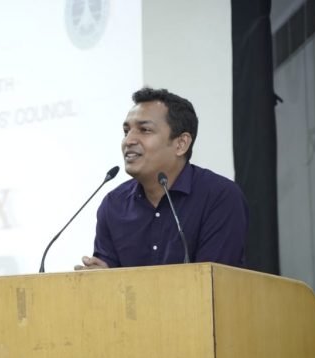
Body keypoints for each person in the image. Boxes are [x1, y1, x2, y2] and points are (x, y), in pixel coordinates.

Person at [75, 87, 248, 270]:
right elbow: (107, 278)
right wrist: (98, 277)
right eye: (126, 131)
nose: (128, 141)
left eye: (144, 130)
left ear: (181, 144)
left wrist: (118, 282)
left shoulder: (219, 197)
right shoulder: (114, 204)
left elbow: (212, 280)